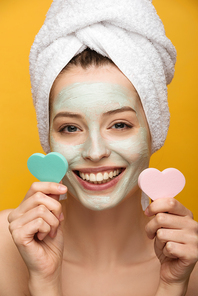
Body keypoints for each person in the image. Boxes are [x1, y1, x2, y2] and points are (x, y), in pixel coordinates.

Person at [0, 1, 197, 295]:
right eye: (70, 127)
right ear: (49, 138)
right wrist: (44, 282)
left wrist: (173, 286)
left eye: (119, 125)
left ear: (154, 129)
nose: (94, 152)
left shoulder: (191, 258)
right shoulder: (3, 246)